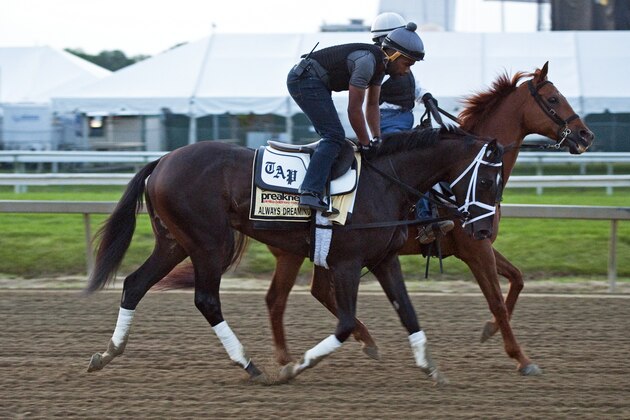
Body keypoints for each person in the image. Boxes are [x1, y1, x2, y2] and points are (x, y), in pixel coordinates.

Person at [287, 22, 424, 212]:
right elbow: (354, 109)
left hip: (315, 81)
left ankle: (319, 185)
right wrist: (366, 143)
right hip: (304, 79)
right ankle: (309, 192)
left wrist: (377, 139)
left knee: (333, 135)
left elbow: (372, 105)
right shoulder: (367, 62)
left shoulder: (380, 67)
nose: (408, 70)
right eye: (407, 63)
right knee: (334, 135)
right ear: (394, 55)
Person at [371, 13, 454, 244]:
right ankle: (426, 221)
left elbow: (414, 84)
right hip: (386, 122)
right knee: (419, 162)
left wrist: (425, 96)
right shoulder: (378, 66)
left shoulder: (401, 62)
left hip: (405, 120)